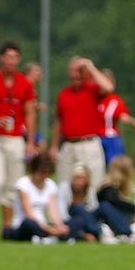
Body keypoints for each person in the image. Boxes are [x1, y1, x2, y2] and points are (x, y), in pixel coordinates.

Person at [0, 42, 37, 235]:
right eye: (8, 56)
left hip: (15, 138)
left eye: (15, 57)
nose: (12, 61)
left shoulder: (24, 82)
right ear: (1, 58)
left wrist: (30, 141)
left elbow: (29, 112)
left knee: (13, 184)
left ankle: (7, 225)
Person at [52, 56, 115, 216]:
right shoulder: (64, 94)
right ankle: (63, 218)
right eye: (73, 71)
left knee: (94, 183)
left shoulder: (92, 89)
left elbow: (108, 87)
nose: (76, 75)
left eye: (79, 71)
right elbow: (58, 121)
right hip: (68, 144)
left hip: (89, 142)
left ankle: (94, 218)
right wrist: (54, 146)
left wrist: (90, 67)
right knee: (65, 184)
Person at [6, 153, 70, 242]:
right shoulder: (22, 184)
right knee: (29, 224)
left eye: (48, 172)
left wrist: (60, 226)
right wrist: (46, 228)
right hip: (25, 223)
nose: (45, 175)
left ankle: (49, 235)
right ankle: (49, 236)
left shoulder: (51, 185)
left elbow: (53, 211)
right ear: (34, 170)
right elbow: (28, 212)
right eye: (42, 172)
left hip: (43, 224)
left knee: (71, 223)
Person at [97, 154, 135, 242]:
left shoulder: (116, 188)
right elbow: (114, 201)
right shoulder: (108, 188)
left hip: (114, 219)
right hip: (106, 220)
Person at [97, 73, 135, 164]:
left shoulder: (114, 100)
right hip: (95, 139)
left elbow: (122, 115)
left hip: (110, 139)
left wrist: (132, 122)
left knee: (114, 166)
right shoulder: (94, 99)